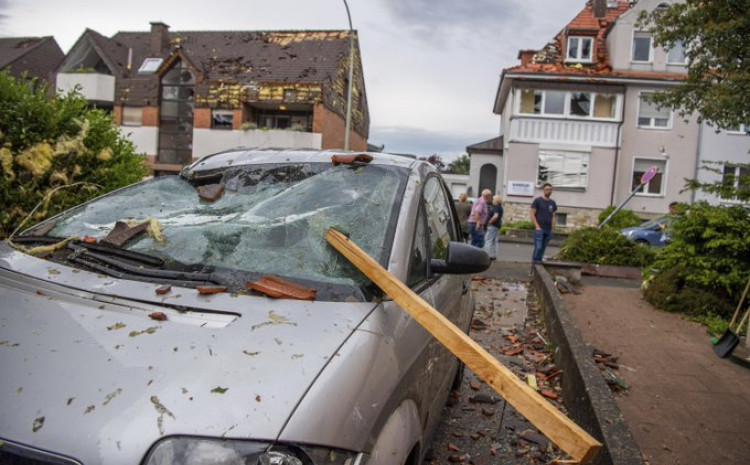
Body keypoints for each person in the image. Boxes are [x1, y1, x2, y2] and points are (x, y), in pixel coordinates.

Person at [530, 183, 556, 264]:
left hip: (548, 230)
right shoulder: (537, 201)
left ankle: (539, 264)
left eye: (550, 190)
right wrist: (537, 226)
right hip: (539, 229)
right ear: (543, 190)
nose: (549, 191)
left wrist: (553, 228)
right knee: (538, 247)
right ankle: (534, 264)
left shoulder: (552, 203)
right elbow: (532, 214)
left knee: (543, 248)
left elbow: (554, 216)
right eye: (547, 189)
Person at [484, 195, 504, 260]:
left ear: (495, 200)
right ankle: (494, 255)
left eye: (493, 199)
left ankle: (486, 255)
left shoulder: (495, 207)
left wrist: (490, 222)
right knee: (495, 241)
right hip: (497, 225)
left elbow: (495, 216)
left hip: (492, 225)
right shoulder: (500, 207)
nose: (492, 200)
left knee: (488, 240)